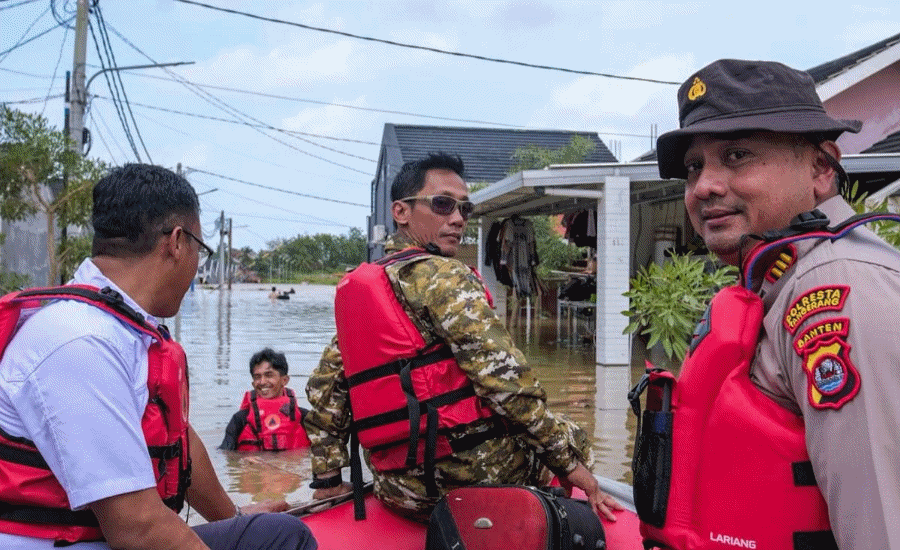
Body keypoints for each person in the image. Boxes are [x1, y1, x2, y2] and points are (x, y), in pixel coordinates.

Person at [639, 59, 900, 549]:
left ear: (822, 168)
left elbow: (881, 524)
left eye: (737, 156)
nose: (704, 186)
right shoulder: (778, 282)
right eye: (695, 167)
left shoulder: (837, 292)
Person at [0, 164, 316, 550]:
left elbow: (178, 438)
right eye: (201, 249)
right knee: (285, 541)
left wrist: (234, 519)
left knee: (273, 531)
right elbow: (137, 529)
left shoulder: (124, 328)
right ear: (178, 242)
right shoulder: (80, 341)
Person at [303, 152, 623, 522]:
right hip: (475, 482)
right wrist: (570, 465)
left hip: (397, 489)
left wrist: (327, 479)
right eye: (442, 204)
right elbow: (507, 384)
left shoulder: (364, 288)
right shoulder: (445, 277)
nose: (457, 219)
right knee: (570, 432)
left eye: (464, 209)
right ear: (401, 212)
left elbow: (327, 392)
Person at [220, 348, 310, 451]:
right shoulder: (239, 420)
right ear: (253, 383)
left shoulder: (305, 418)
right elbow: (225, 455)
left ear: (284, 380)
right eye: (257, 377)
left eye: (269, 375)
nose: (262, 382)